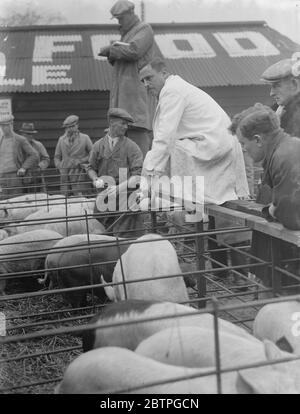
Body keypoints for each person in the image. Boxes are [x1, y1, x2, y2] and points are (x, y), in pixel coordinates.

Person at [139, 58, 250, 280]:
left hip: (214, 147)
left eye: (149, 78)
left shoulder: (173, 91)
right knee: (209, 213)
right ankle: (222, 271)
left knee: (225, 216)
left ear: (164, 73)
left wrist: (148, 175)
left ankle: (239, 275)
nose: (146, 84)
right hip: (212, 146)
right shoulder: (173, 90)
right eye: (142, 80)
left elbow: (165, 136)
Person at [230, 103, 300, 288]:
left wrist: (273, 209)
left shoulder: (283, 156)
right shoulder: (285, 149)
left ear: (258, 139)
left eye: (243, 143)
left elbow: (291, 217)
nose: (243, 149)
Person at [98, 0, 154, 158]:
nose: (119, 22)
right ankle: (127, 182)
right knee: (122, 161)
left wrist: (111, 50)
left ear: (131, 13)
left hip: (135, 108)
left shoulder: (144, 29)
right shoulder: (127, 34)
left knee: (138, 159)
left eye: (121, 18)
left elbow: (134, 50)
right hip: (122, 111)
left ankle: (141, 183)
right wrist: (112, 52)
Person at [86, 108, 144, 238]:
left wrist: (119, 188)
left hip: (126, 197)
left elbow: (138, 176)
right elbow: (90, 167)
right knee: (106, 232)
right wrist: (95, 179)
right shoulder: (98, 146)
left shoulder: (132, 147)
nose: (126, 127)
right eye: (122, 123)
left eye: (127, 124)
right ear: (112, 123)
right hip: (105, 197)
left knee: (124, 235)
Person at [0, 114, 39, 200]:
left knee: (15, 203)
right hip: (2, 177)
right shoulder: (1, 140)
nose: (3, 128)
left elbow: (34, 155)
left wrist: (23, 168)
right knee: (2, 205)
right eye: (2, 125)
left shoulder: (20, 139)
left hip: (14, 176)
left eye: (6, 125)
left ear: (11, 125)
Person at [54, 115, 93, 197]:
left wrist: (81, 160)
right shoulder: (61, 139)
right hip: (65, 173)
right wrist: (60, 166)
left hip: (79, 172)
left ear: (77, 126)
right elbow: (57, 157)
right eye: (68, 127)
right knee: (65, 199)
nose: (70, 129)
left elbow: (92, 153)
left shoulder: (85, 138)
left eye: (72, 126)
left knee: (80, 198)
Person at [19, 122, 50, 193]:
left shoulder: (38, 145)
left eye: (31, 134)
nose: (30, 136)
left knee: (36, 199)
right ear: (22, 134)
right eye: (27, 134)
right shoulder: (18, 146)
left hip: (35, 178)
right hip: (20, 179)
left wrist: (39, 167)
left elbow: (46, 159)